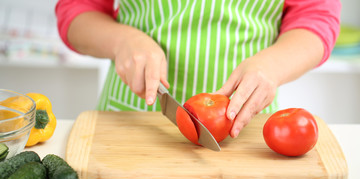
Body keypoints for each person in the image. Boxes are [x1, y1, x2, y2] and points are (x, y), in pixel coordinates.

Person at [56, 0, 340, 138]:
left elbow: (317, 16)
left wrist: (274, 65)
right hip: (131, 118)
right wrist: (122, 41)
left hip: (245, 124)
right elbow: (76, 8)